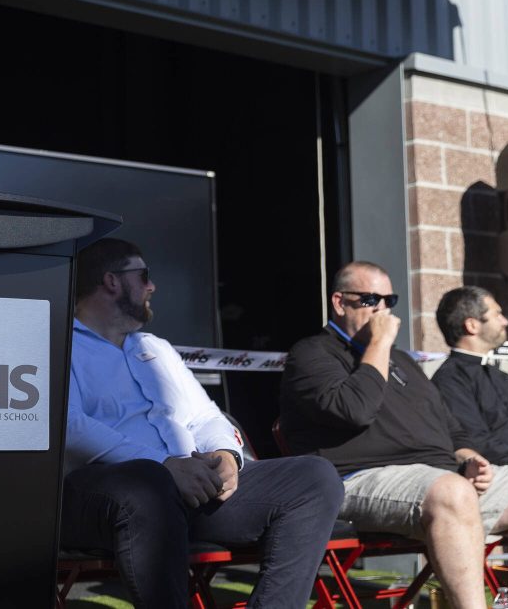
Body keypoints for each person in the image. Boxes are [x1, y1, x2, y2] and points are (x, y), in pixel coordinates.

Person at [62, 238, 344, 609]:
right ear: (111, 281)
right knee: (148, 485)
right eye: (143, 275)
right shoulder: (62, 342)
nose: (152, 286)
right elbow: (68, 425)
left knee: (315, 477)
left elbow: (207, 415)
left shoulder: (155, 347)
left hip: (188, 489)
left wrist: (227, 454)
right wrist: (164, 466)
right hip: (106, 496)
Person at [281, 261, 508, 609]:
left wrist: (468, 457)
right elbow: (355, 409)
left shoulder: (403, 361)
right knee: (450, 492)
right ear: (339, 303)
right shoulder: (312, 353)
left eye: (389, 300)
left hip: (436, 475)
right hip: (355, 477)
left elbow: (450, 427)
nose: (382, 309)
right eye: (370, 300)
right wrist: (378, 344)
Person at [433, 286, 508, 465]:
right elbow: (476, 442)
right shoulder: (450, 380)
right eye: (497, 315)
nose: (505, 321)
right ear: (472, 325)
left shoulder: (507, 379)